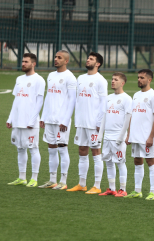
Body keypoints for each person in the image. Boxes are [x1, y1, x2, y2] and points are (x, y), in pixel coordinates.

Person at [67, 52, 107, 194]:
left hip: (94, 124)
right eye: (88, 58)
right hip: (81, 122)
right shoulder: (81, 78)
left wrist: (99, 122)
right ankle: (82, 184)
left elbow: (103, 103)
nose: (88, 60)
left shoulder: (101, 80)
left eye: (91, 59)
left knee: (96, 153)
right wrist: (77, 119)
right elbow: (78, 100)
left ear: (98, 64)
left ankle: (97, 185)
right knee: (82, 151)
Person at [38, 50, 77, 190]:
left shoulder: (70, 77)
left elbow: (72, 100)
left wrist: (66, 120)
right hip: (49, 119)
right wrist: (43, 117)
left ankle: (63, 181)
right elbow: (48, 97)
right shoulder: (50, 75)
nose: (56, 59)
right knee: (51, 149)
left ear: (66, 61)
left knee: (62, 149)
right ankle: (52, 180)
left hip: (61, 120)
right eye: (55, 57)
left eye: (59, 57)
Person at [7, 53, 45, 187]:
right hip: (18, 121)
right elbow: (16, 101)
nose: (23, 64)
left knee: (33, 149)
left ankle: (34, 178)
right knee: (20, 149)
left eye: (26, 62)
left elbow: (40, 102)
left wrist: (32, 120)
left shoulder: (39, 80)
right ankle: (21, 177)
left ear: (33, 64)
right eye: (22, 61)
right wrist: (10, 118)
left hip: (30, 122)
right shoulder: (19, 79)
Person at [125, 69, 154, 200]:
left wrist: (151, 136)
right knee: (137, 161)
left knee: (150, 161)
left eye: (142, 78)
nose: (139, 80)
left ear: (149, 80)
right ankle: (137, 190)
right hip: (135, 136)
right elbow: (132, 116)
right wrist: (129, 134)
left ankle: (152, 192)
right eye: (138, 77)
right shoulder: (135, 95)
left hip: (146, 136)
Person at [97, 73, 132, 197]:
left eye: (115, 80)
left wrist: (121, 137)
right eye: (112, 79)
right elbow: (104, 117)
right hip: (107, 137)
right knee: (108, 162)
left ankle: (122, 189)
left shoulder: (127, 98)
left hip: (118, 138)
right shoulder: (108, 98)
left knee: (120, 162)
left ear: (122, 83)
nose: (112, 81)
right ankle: (112, 188)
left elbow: (128, 119)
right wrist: (100, 136)